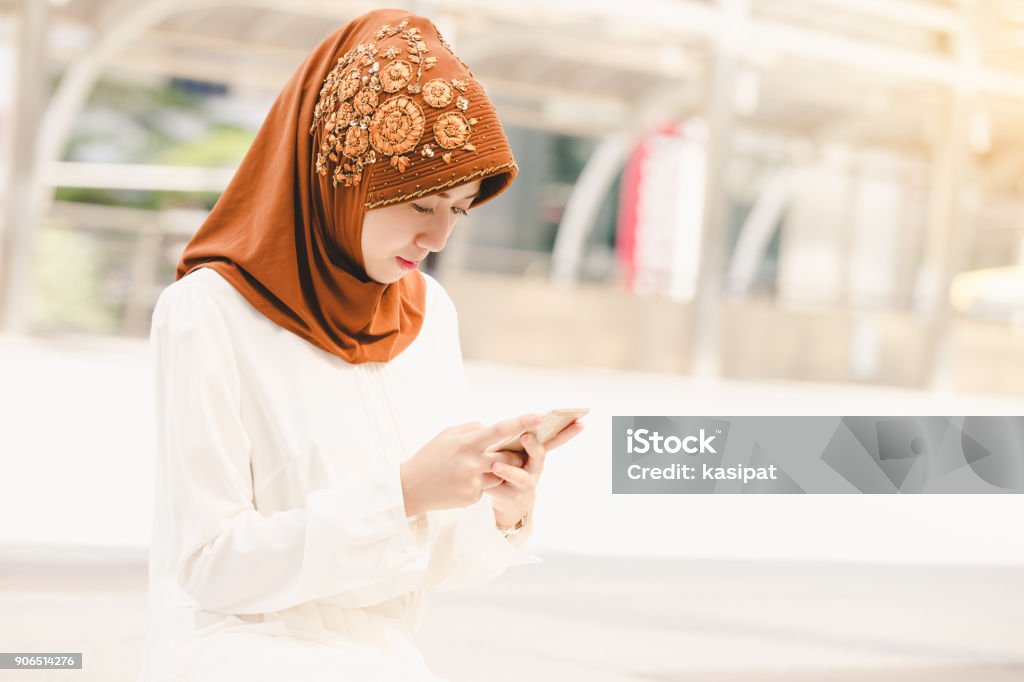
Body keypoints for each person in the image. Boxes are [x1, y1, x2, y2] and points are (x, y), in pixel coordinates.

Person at [134, 8, 584, 681]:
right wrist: (402, 494)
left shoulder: (427, 312)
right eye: (419, 204)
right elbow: (209, 565)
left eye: (458, 210)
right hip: (236, 658)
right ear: (343, 174)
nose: (438, 240)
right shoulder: (209, 312)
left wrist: (503, 506)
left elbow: (426, 566)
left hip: (385, 660)